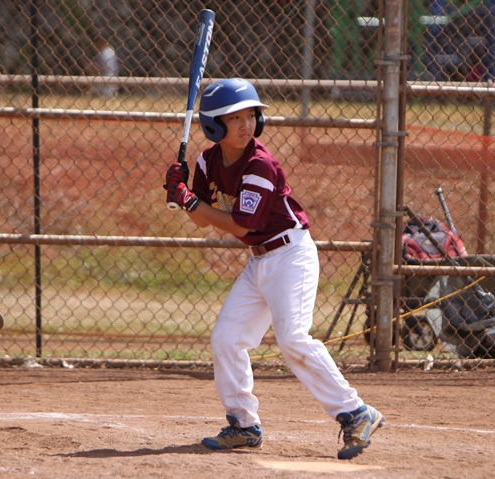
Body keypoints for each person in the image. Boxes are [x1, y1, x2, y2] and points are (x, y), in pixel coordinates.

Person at [163, 78, 384, 459]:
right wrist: (183, 197)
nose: (246, 124)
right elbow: (202, 220)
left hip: (290, 256)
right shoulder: (206, 162)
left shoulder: (260, 165)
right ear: (214, 125)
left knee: (293, 338)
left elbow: (240, 225)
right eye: (235, 118)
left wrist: (191, 202)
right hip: (260, 260)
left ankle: (355, 411)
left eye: (251, 115)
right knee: (226, 339)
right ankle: (243, 425)